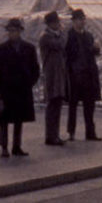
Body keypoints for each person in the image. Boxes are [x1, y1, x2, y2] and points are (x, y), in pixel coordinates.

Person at [0, 17, 39, 157]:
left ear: (20, 31)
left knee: (19, 118)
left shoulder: (29, 48)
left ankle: (16, 146)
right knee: (4, 119)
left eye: (15, 30)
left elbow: (35, 68)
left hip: (22, 89)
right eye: (10, 31)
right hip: (6, 89)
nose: (12, 33)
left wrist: (30, 82)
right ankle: (4, 147)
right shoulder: (0, 49)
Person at [65, 8, 102, 141]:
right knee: (73, 105)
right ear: (74, 21)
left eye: (83, 19)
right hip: (75, 75)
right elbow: (67, 55)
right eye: (80, 19)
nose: (82, 22)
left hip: (88, 74)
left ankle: (90, 132)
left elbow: (94, 53)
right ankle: (71, 132)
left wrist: (96, 49)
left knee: (89, 105)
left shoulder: (89, 36)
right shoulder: (69, 36)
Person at [38, 10, 67, 145]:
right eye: (56, 22)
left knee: (58, 104)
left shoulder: (55, 35)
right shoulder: (46, 37)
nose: (58, 25)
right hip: (51, 74)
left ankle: (55, 134)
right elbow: (60, 44)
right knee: (52, 105)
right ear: (50, 24)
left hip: (59, 74)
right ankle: (50, 135)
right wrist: (62, 34)